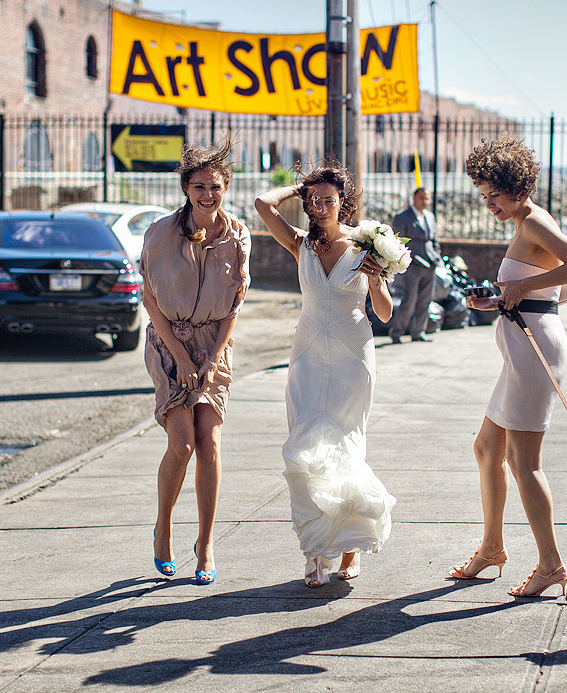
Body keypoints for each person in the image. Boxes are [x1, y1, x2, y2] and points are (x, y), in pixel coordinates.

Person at [452, 134, 567, 597]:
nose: (489, 203)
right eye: (483, 195)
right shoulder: (525, 224)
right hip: (521, 349)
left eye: (494, 194)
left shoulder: (533, 221)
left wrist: (521, 293)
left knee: (522, 461)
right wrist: (499, 300)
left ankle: (552, 563)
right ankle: (493, 546)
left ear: (516, 186)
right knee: (486, 449)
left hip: (534, 354)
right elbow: (554, 290)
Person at [254, 164, 397, 587]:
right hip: (308, 354)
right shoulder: (299, 243)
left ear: (343, 202)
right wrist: (300, 187)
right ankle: (315, 552)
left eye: (328, 200)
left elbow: (386, 313)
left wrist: (375, 282)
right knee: (304, 446)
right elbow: (263, 204)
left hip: (354, 355)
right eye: (312, 201)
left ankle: (350, 550)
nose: (318, 208)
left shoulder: (366, 245)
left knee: (346, 447)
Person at [140, 139, 250, 585]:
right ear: (186, 188)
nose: (209, 193)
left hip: (215, 347)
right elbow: (150, 299)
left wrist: (212, 359)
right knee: (182, 444)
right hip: (170, 344)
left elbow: (233, 309)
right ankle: (163, 527)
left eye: (216, 186)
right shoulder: (160, 232)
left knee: (211, 443)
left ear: (226, 188)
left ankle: (205, 544)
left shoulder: (238, 235)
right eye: (200, 186)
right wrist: (183, 358)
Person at [388, 187, 442, 343]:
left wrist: (436, 255)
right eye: (421, 198)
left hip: (430, 263)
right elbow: (398, 241)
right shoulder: (402, 217)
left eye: (427, 198)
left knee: (425, 300)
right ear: (414, 198)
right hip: (413, 265)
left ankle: (419, 331)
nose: (424, 201)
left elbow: (434, 239)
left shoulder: (430, 217)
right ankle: (397, 332)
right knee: (409, 300)